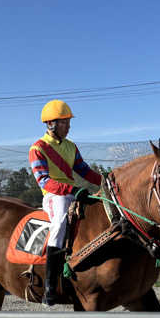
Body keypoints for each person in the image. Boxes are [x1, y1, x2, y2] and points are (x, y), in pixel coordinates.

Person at [29, 100, 102, 306]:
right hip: (54, 195)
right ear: (51, 124)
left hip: (73, 192)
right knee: (60, 223)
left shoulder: (71, 147)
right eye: (64, 123)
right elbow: (44, 181)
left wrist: (107, 182)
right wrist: (72, 190)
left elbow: (85, 171)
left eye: (68, 122)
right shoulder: (37, 148)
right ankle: (50, 286)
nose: (68, 126)